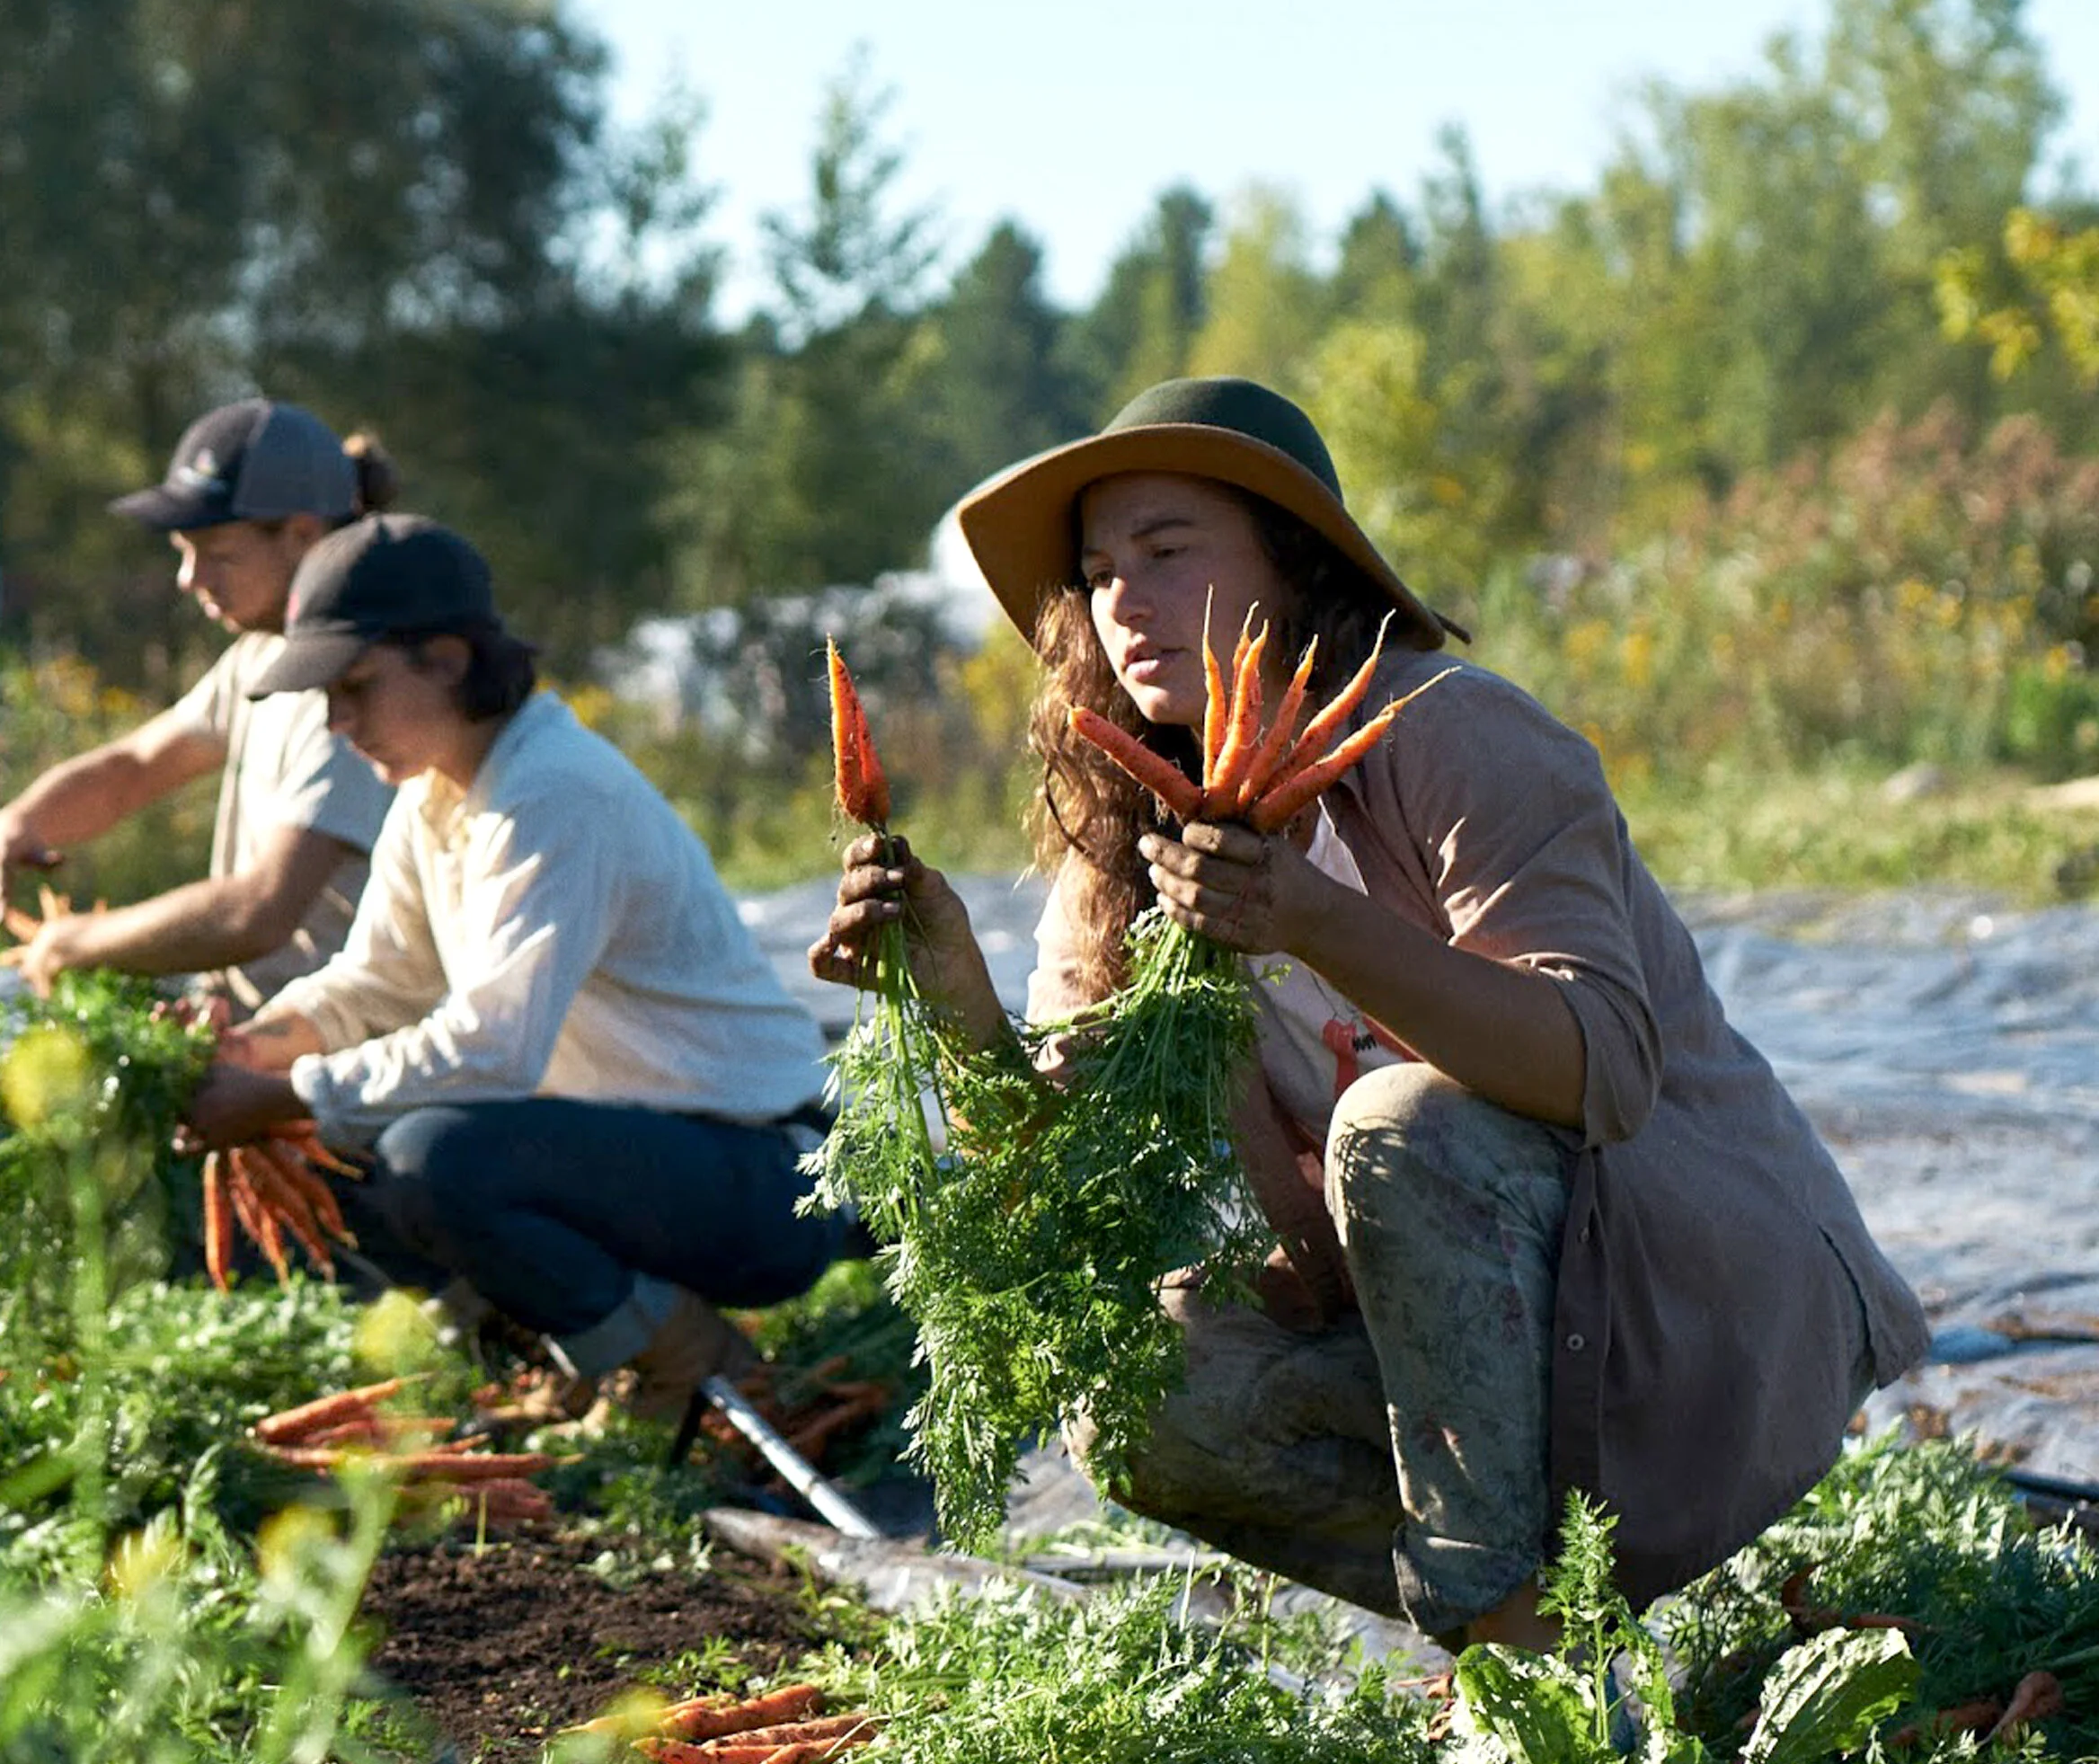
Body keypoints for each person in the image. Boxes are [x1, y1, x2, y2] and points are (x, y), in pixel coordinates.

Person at [813, 376, 1928, 1648]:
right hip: (1474, 1368)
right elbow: (1067, 1188)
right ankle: (1532, 1634)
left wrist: (1314, 919)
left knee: (1393, 1125)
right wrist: (952, 989)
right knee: (1141, 1388)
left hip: (1693, 1325)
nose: (1124, 597)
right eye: (1099, 570)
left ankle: (1510, 1654)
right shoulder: (1125, 848)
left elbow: (1601, 1068)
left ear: (1293, 563)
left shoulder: (1453, 735)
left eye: (1168, 551)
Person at [183, 512, 848, 1413]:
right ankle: (563, 1343)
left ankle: (688, 1357)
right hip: (637, 1152)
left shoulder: (551, 791)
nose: (338, 723)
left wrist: (286, 1091)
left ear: (449, 659)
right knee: (343, 1133)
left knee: (428, 1154)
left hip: (769, 1174)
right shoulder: (433, 793)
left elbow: (494, 1047)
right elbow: (377, 980)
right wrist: (253, 1048)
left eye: (356, 687)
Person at [2, 400, 395, 1005]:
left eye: (217, 553)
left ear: (302, 536)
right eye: (184, 552)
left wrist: (80, 942)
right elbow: (133, 769)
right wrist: (18, 824)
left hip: (315, 1059)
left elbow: (260, 910)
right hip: (241, 1027)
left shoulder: (358, 684)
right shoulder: (261, 654)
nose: (190, 578)